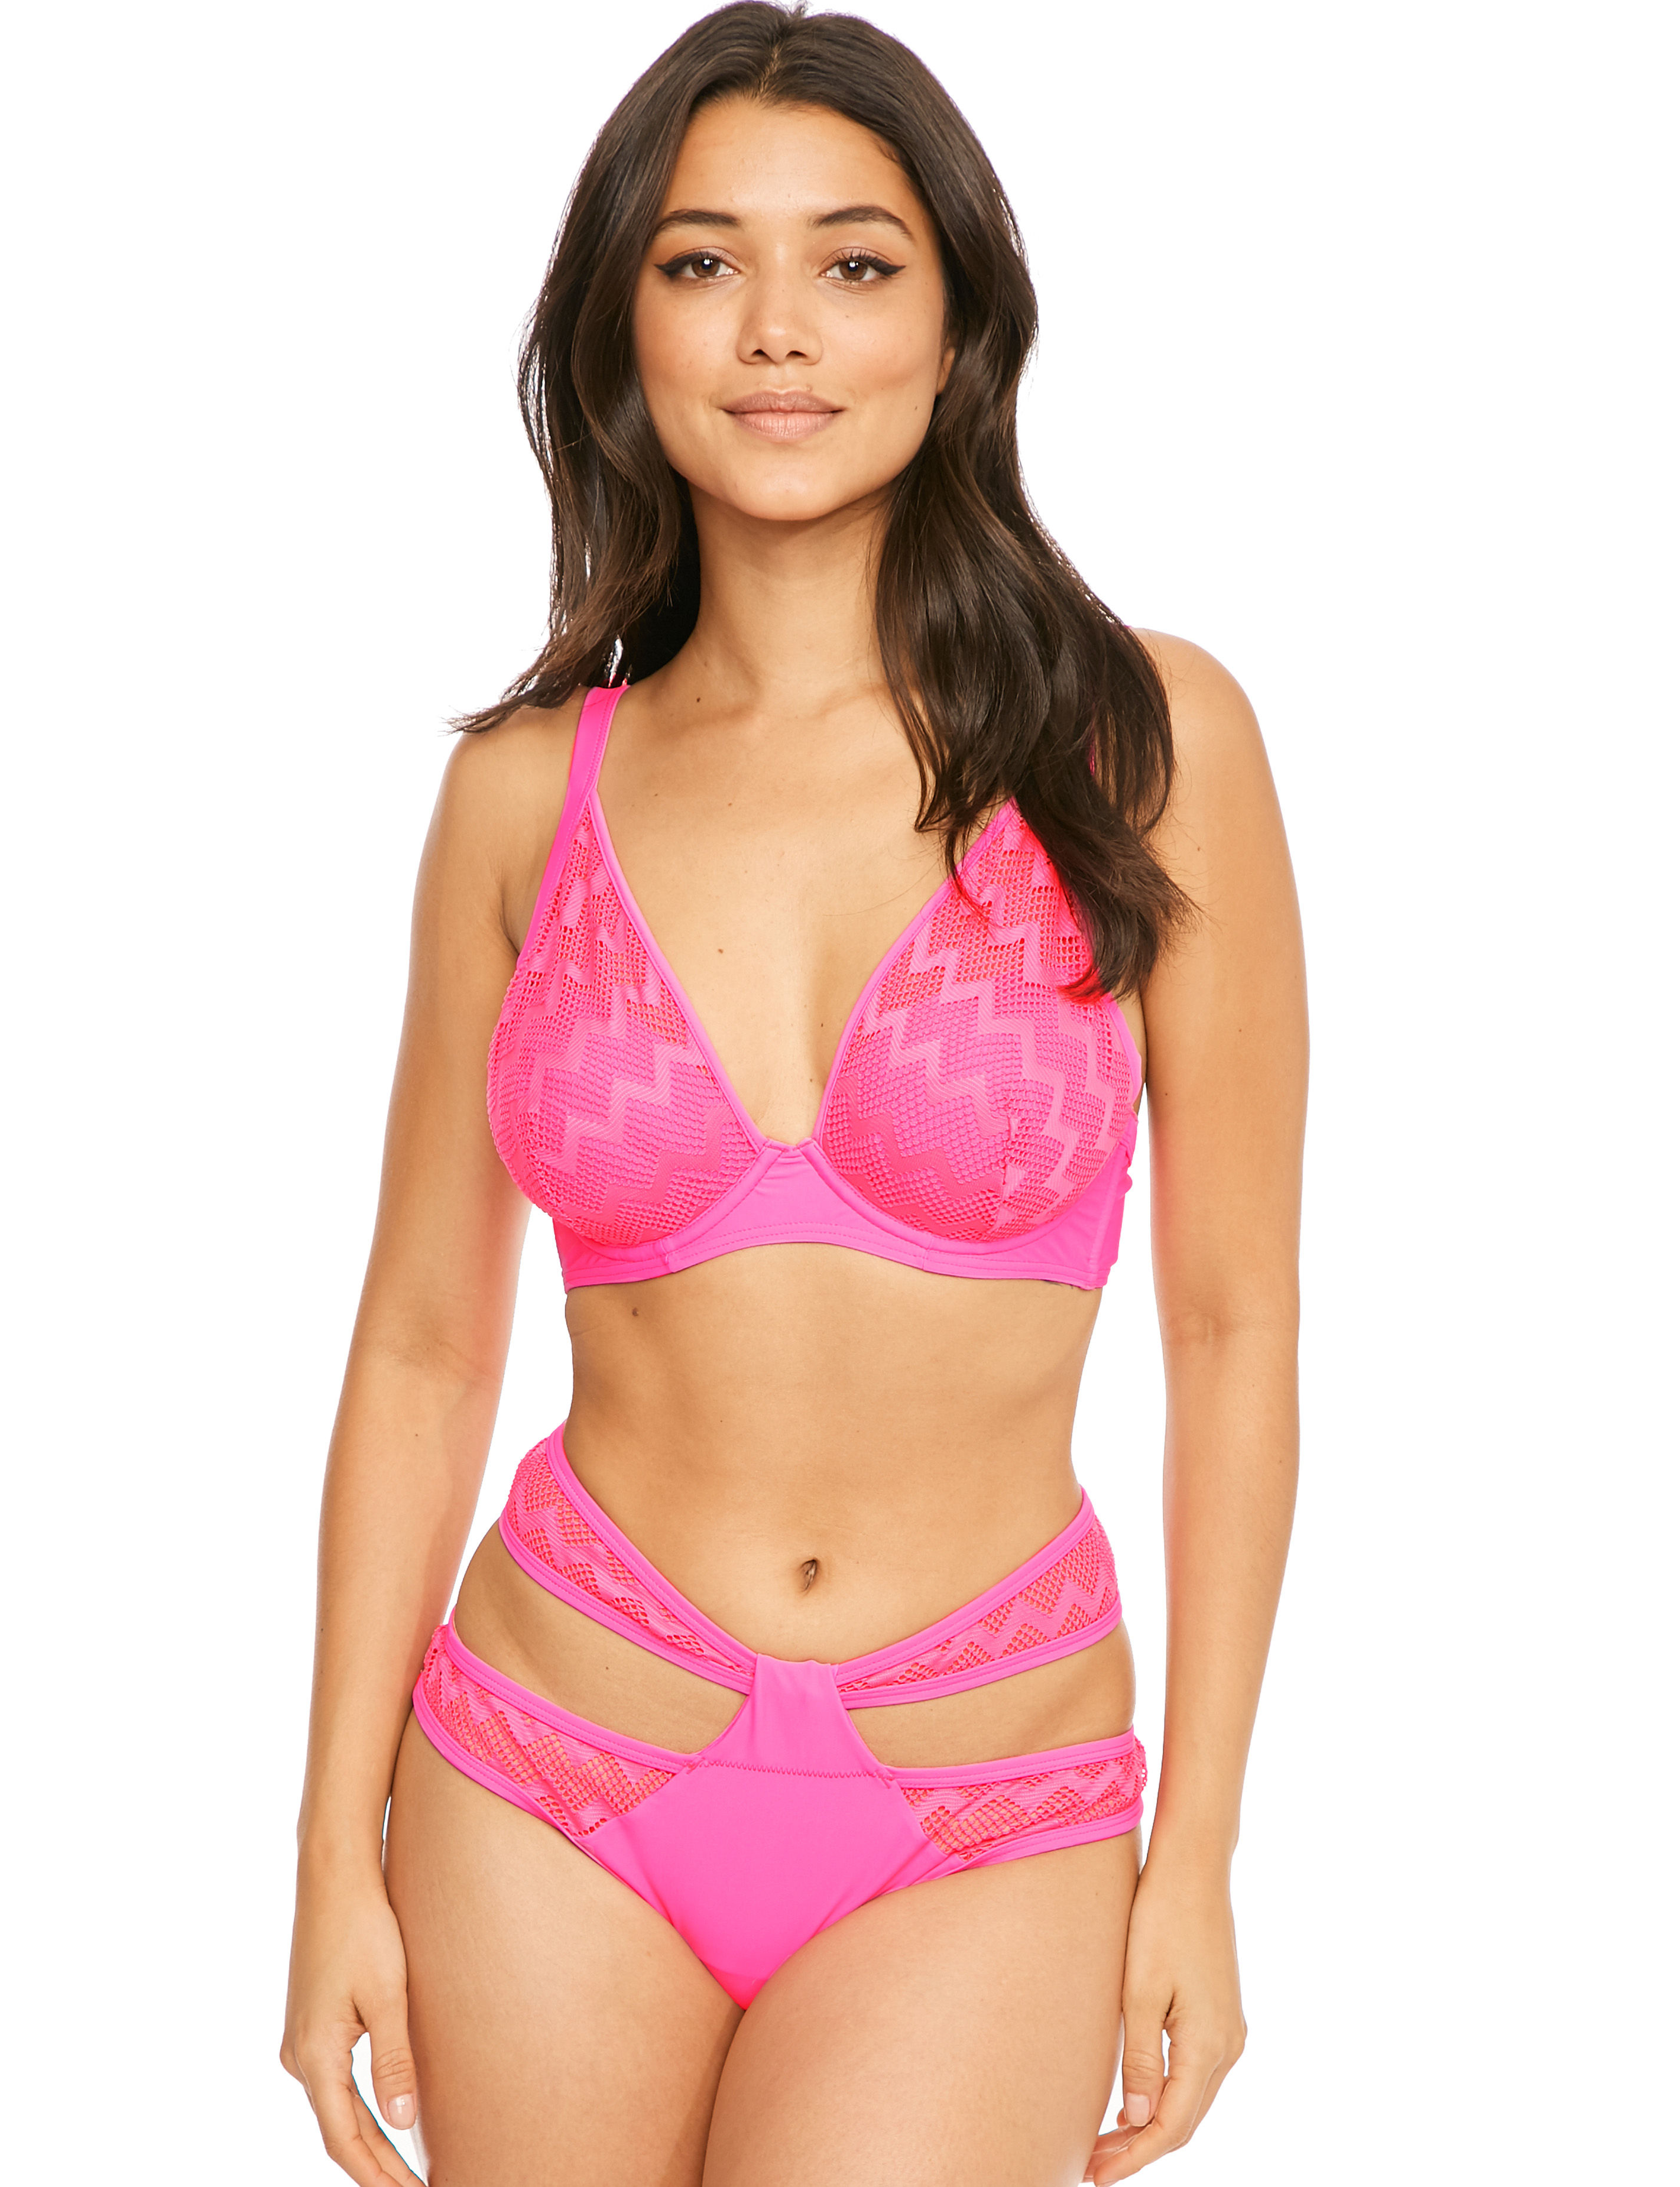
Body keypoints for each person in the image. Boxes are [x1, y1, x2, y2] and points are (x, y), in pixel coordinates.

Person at [280, 7, 1307, 2182]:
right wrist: (324, 1854)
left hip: (983, 1797)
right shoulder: (521, 793)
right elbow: (422, 1343)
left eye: (852, 263)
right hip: (547, 1760)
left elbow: (1231, 1326)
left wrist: (1203, 1854)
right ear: (619, 326)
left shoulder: (1146, 743)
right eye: (698, 261)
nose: (775, 330)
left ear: (958, 323)